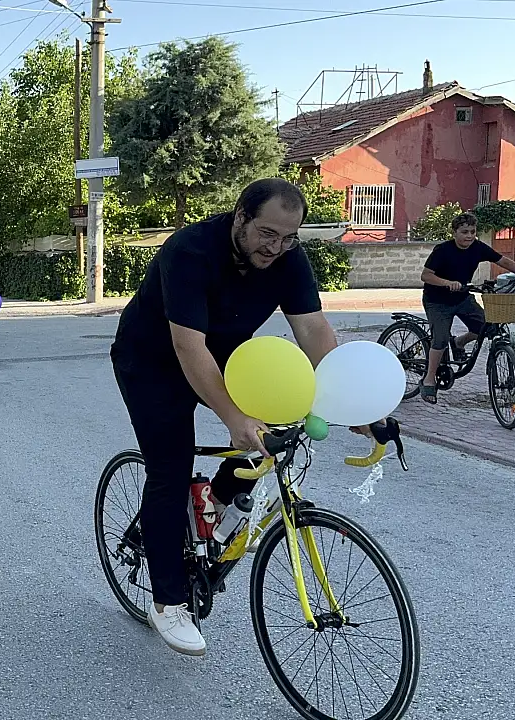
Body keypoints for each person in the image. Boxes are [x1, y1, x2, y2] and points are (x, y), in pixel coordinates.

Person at [110, 178, 367, 657]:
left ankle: (218, 495)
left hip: (226, 358)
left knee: (280, 428)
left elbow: (312, 329)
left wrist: (354, 405)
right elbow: (188, 347)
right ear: (241, 216)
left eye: (290, 237)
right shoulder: (189, 251)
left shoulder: (289, 259)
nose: (277, 247)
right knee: (169, 469)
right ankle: (167, 602)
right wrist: (232, 416)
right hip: (151, 364)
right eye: (268, 234)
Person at [420, 212, 515, 403]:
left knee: (487, 327)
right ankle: (429, 379)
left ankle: (459, 342)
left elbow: (503, 261)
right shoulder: (443, 250)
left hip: (462, 298)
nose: (469, 236)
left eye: (472, 232)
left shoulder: (477, 247)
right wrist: (447, 282)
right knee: (440, 339)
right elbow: (426, 275)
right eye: (464, 232)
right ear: (454, 232)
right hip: (437, 301)